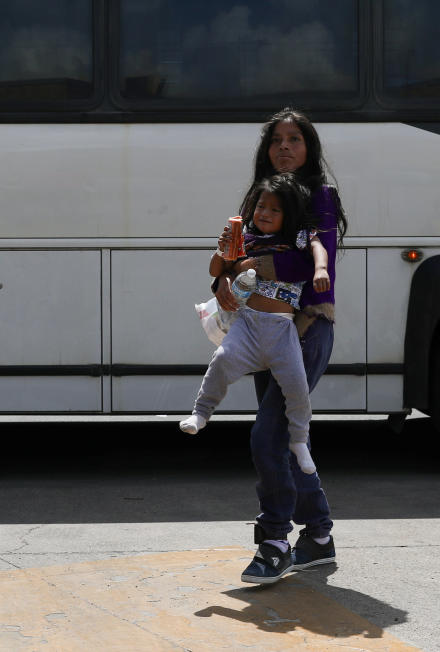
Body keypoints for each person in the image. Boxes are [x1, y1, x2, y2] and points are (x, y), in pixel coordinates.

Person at [215, 108, 347, 585]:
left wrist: (252, 266)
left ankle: (273, 542)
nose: (285, 147)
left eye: (295, 139)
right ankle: (317, 537)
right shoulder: (261, 198)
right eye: (276, 140)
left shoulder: (320, 197)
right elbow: (234, 260)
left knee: (267, 436)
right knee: (291, 441)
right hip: (260, 331)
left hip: (307, 330)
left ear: (309, 148)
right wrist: (224, 286)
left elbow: (311, 265)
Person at [180, 173, 330, 481]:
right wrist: (224, 254)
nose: (265, 213)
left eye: (275, 210)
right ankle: (201, 413)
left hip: (282, 330)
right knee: (221, 360)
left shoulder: (296, 238)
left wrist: (321, 268)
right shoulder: (245, 239)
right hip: (247, 325)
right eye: (261, 206)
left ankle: (299, 440)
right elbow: (215, 269)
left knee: (297, 387)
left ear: (288, 216)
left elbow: (319, 246)